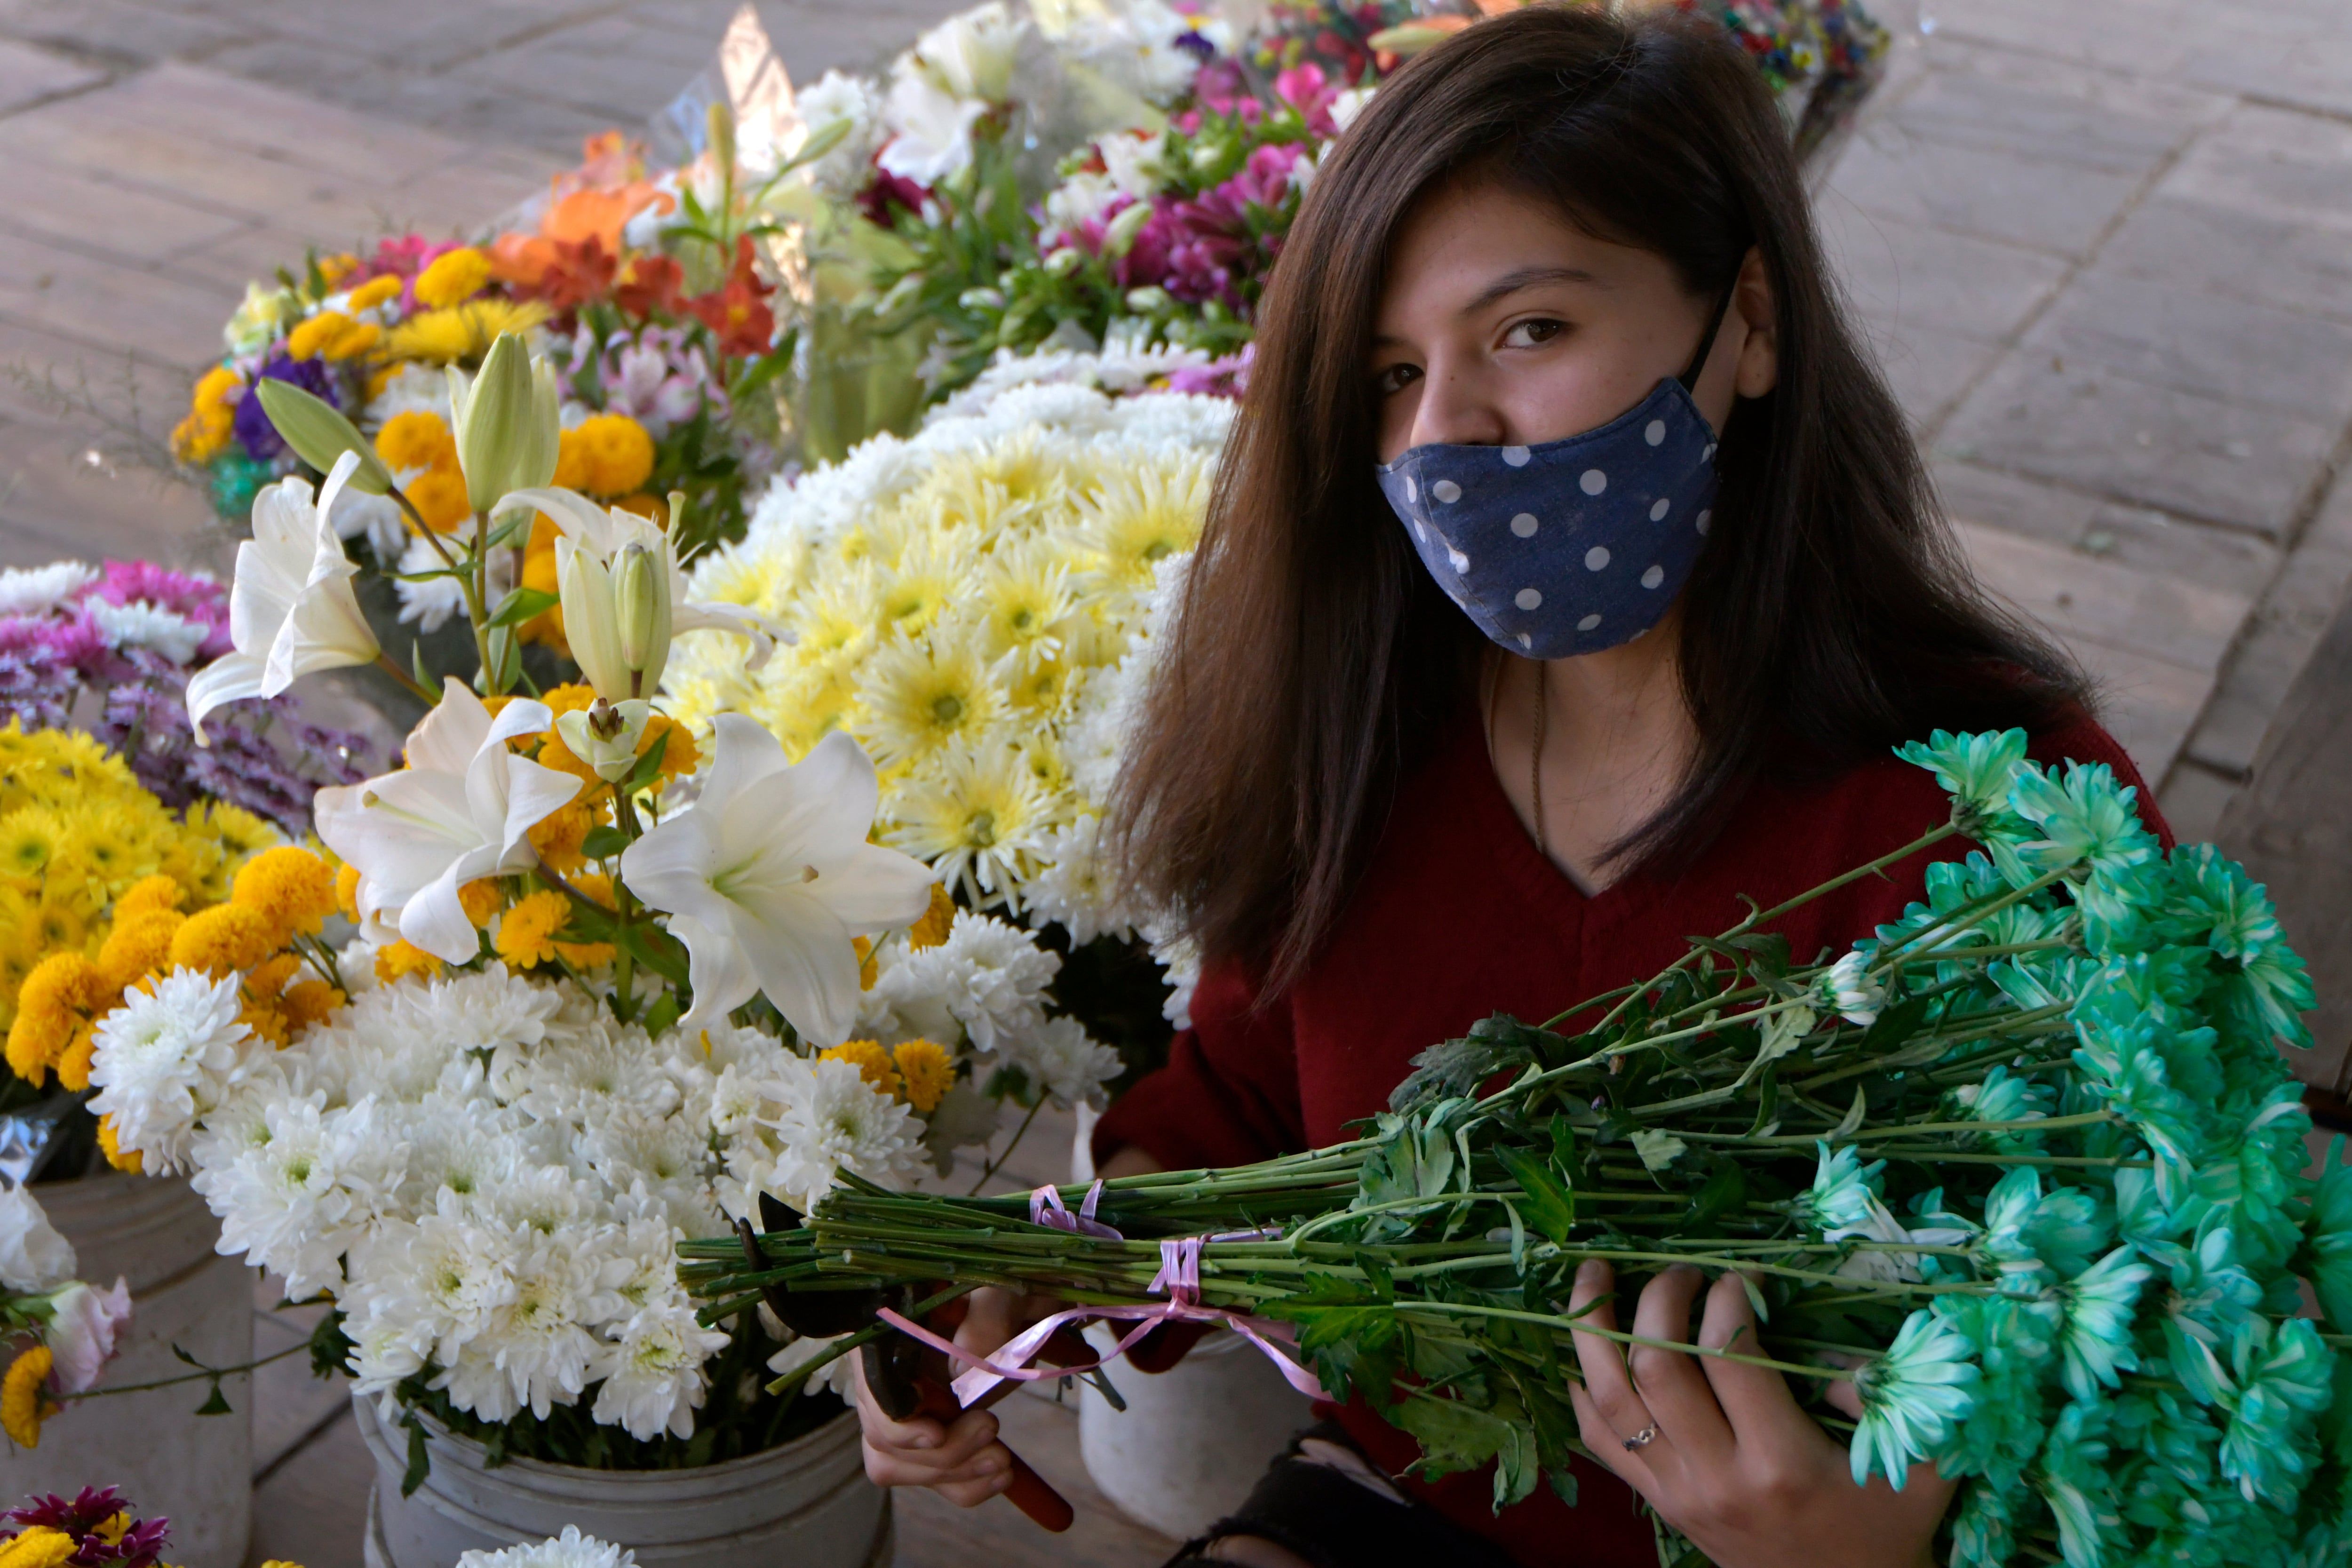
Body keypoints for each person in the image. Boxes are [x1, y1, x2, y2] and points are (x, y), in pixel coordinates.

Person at [850, 7, 2167, 1566]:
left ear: (1749, 321)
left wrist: (1864, 1552)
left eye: (1529, 330)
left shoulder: (2000, 817)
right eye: (1393, 371)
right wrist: (1031, 1288)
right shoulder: (1374, 733)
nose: (1448, 433)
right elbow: (1244, 1110)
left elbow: (2153, 1349)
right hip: (1403, 1509)